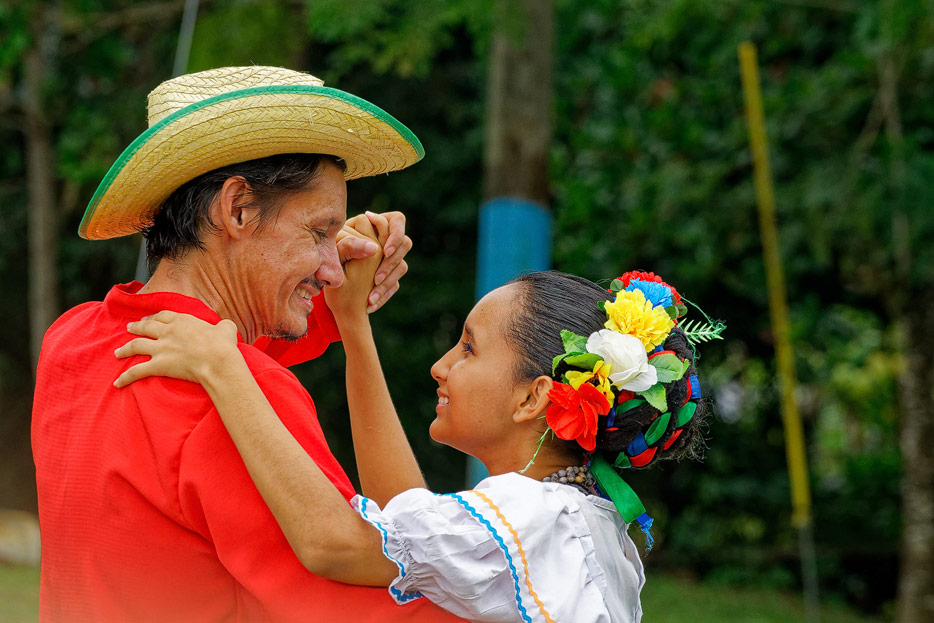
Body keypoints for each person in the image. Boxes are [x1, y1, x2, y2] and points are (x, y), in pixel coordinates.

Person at [31, 66, 464, 622]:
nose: (334, 269)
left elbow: (221, 347)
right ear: (237, 209)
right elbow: (360, 600)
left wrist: (333, 301)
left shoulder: (71, 340)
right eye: (318, 232)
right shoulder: (241, 394)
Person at [115, 248, 721, 622]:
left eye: (469, 348)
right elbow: (405, 515)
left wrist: (226, 370)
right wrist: (353, 322)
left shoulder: (537, 516)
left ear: (533, 397)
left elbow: (335, 546)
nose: (442, 365)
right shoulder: (564, 515)